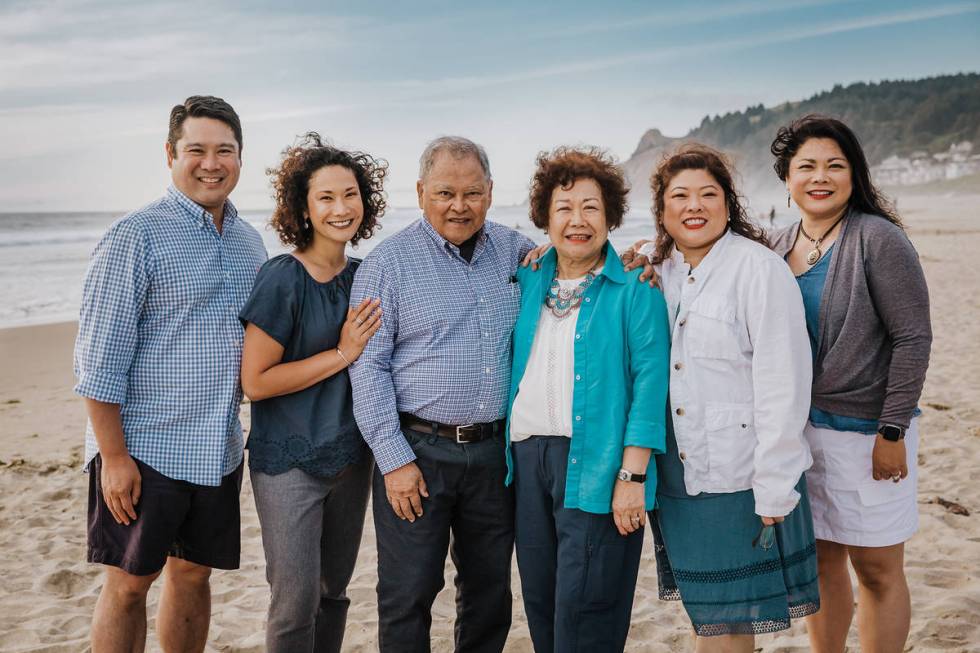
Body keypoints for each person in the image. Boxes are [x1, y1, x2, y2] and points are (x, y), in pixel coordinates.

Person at [73, 95, 267, 653]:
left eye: (224, 150)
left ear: (239, 157)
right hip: (144, 449)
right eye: (196, 150)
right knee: (130, 583)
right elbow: (98, 360)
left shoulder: (249, 242)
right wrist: (113, 458)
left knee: (193, 575)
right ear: (170, 154)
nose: (211, 163)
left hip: (218, 447)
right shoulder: (136, 235)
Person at [348, 136, 536, 653]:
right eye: (445, 193)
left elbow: (578, 276)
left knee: (488, 593)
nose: (459, 205)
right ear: (421, 191)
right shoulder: (387, 264)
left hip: (496, 456)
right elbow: (368, 369)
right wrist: (394, 461)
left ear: (491, 192)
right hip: (418, 454)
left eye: (472, 192)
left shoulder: (520, 254)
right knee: (408, 595)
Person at [634, 143, 819, 651]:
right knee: (707, 618)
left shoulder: (757, 269)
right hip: (676, 472)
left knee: (730, 623)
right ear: (663, 210)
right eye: (680, 197)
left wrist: (776, 481)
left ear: (727, 203)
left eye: (707, 194)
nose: (694, 206)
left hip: (739, 477)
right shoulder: (658, 270)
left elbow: (785, 380)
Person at [769, 115, 932, 653]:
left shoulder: (878, 239)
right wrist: (647, 258)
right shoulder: (774, 245)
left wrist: (892, 431)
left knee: (878, 568)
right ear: (786, 178)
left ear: (853, 175)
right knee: (820, 560)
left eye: (835, 166)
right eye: (807, 166)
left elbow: (913, 338)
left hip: (868, 435)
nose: (821, 177)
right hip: (800, 436)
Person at [505, 147, 670, 652]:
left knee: (590, 614)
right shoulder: (529, 275)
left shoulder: (636, 287)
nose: (577, 220)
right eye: (564, 208)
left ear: (611, 216)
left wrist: (632, 476)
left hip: (601, 463)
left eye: (590, 208)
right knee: (543, 605)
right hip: (527, 466)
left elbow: (650, 385)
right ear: (545, 218)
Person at [238, 133, 386, 652]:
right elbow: (254, 382)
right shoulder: (283, 278)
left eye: (350, 194)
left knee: (333, 592)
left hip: (352, 458)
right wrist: (341, 354)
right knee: (294, 601)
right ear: (302, 207)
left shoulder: (370, 277)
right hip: (289, 461)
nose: (341, 208)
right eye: (326, 197)